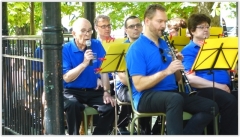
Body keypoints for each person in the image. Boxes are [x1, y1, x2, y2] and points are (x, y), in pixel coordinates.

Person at [126, 4, 219, 135]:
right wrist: (166, 71)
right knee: (175, 99)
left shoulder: (165, 44)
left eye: (165, 21)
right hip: (145, 97)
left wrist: (177, 64)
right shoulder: (136, 48)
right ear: (147, 21)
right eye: (159, 21)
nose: (163, 25)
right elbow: (139, 85)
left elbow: (178, 80)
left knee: (211, 107)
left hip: (171, 93)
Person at [181, 13, 238, 135]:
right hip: (203, 91)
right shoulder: (189, 50)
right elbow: (190, 78)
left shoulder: (217, 48)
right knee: (230, 101)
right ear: (192, 31)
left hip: (223, 88)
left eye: (207, 27)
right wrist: (219, 86)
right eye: (201, 27)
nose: (206, 30)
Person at [62, 18, 115, 135]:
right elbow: (66, 77)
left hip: (92, 90)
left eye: (90, 31)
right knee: (72, 105)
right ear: (74, 34)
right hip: (72, 91)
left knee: (110, 107)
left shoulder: (96, 44)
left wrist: (106, 92)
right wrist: (84, 63)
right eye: (83, 31)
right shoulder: (66, 49)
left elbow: (103, 70)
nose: (87, 34)